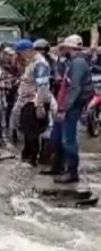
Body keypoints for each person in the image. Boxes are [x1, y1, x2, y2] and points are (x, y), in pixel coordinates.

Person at [53, 35, 93, 183]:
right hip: (72, 104)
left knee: (68, 139)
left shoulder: (77, 63)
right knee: (63, 136)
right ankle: (65, 168)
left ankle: (72, 172)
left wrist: (64, 107)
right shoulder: (75, 62)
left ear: (70, 48)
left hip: (73, 105)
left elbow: (75, 88)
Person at [9, 39, 54, 166]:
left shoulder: (40, 64)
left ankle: (32, 157)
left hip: (33, 102)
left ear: (27, 52)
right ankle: (28, 154)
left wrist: (39, 104)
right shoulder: (32, 63)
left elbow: (43, 86)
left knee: (32, 131)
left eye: (20, 53)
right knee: (27, 130)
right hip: (27, 101)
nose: (19, 56)